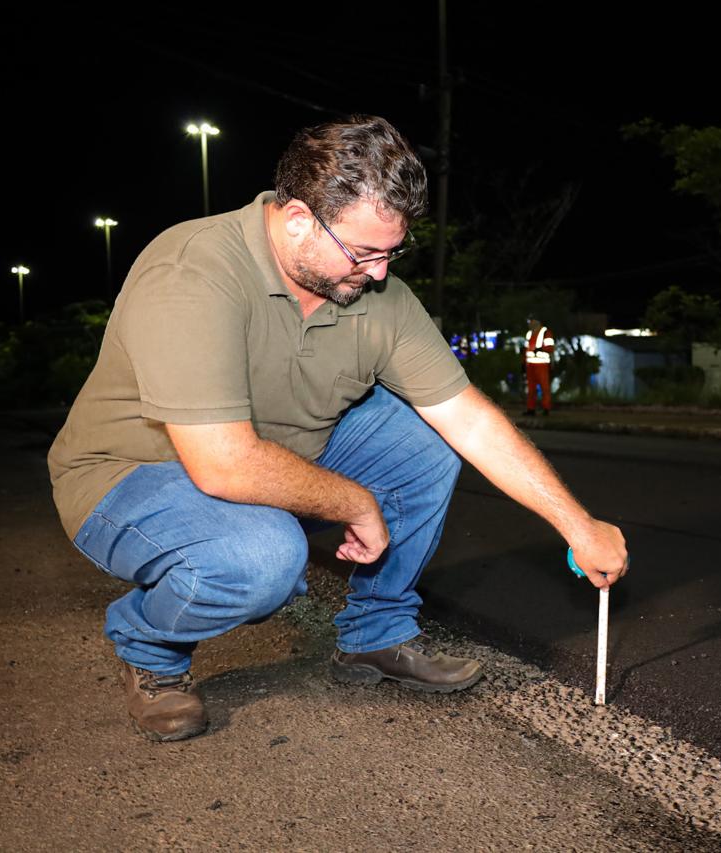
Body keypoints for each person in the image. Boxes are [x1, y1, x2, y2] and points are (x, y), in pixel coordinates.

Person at [47, 115, 628, 743]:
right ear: (297, 218)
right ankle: (150, 649)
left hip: (280, 455)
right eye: (364, 252)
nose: (379, 273)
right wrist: (355, 502)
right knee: (265, 556)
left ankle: (375, 637)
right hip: (132, 477)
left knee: (426, 441)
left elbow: (468, 418)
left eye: (391, 252)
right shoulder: (193, 270)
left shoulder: (376, 296)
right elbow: (223, 464)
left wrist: (578, 524)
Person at [522, 316, 555, 415]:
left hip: (542, 365)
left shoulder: (546, 333)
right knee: (531, 388)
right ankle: (531, 409)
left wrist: (541, 349)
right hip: (530, 366)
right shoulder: (529, 334)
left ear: (537, 321)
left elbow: (550, 348)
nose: (529, 323)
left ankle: (546, 408)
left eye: (531, 321)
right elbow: (526, 350)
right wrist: (523, 363)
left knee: (544, 388)